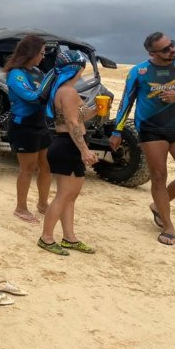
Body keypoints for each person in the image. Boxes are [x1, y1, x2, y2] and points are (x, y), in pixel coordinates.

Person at [110, 32, 175, 246]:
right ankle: (167, 226)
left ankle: (158, 205)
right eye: (166, 49)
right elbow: (126, 101)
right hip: (151, 129)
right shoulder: (139, 72)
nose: (172, 49)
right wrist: (117, 131)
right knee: (159, 175)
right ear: (152, 53)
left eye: (172, 44)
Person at [38, 50, 98, 255]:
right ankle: (46, 237)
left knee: (70, 196)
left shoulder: (63, 90)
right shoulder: (68, 92)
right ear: (77, 69)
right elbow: (72, 124)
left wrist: (97, 109)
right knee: (64, 195)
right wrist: (85, 150)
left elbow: (78, 117)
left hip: (66, 144)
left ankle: (69, 238)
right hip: (68, 145)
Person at [4, 35, 53, 223]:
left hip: (40, 124)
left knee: (46, 166)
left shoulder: (38, 72)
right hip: (23, 125)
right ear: (31, 53)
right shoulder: (16, 74)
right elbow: (33, 97)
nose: (43, 56)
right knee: (28, 168)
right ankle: (21, 208)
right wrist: (52, 81)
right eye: (41, 52)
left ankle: (43, 204)